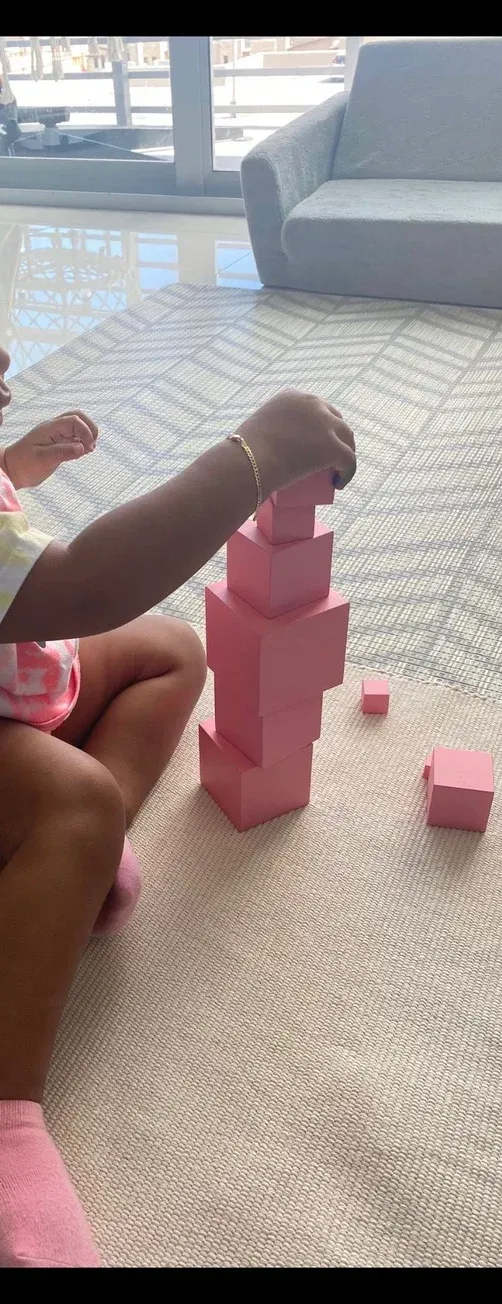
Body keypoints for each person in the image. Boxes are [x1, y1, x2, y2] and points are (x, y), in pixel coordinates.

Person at [0, 344, 356, 1268]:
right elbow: (86, 584)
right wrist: (256, 455)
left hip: (17, 681)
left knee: (172, 651)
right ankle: (6, 1124)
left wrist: (14, 465)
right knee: (73, 797)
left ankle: (67, 854)